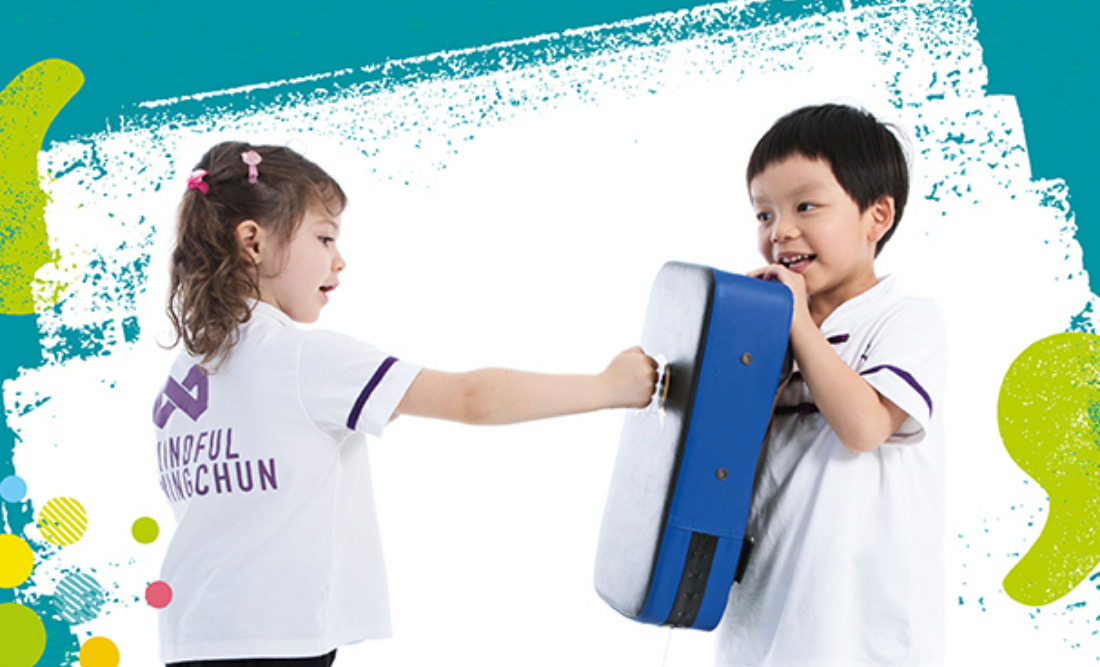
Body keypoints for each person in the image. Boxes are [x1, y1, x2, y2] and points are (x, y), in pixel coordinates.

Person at [154, 141, 658, 667]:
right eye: (324, 238)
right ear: (253, 242)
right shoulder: (300, 358)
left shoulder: (186, 373)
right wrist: (608, 388)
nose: (339, 260)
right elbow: (470, 398)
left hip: (192, 638)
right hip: (275, 641)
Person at [715, 104, 947, 666]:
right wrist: (750, 350)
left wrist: (798, 324)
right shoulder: (766, 334)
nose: (780, 231)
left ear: (877, 216)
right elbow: (724, 466)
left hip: (863, 634)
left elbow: (865, 428)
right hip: (761, 625)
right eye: (764, 214)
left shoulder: (906, 320)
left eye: (805, 206)